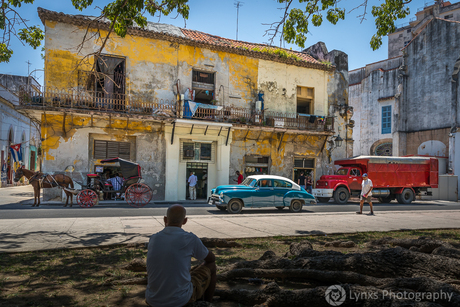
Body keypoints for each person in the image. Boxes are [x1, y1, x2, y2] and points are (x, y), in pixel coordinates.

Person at [146, 205, 216, 307]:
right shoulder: (189, 238)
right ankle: (208, 302)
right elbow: (211, 258)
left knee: (193, 270)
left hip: (152, 299)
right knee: (211, 266)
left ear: (165, 219)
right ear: (185, 221)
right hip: (180, 300)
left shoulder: (154, 238)